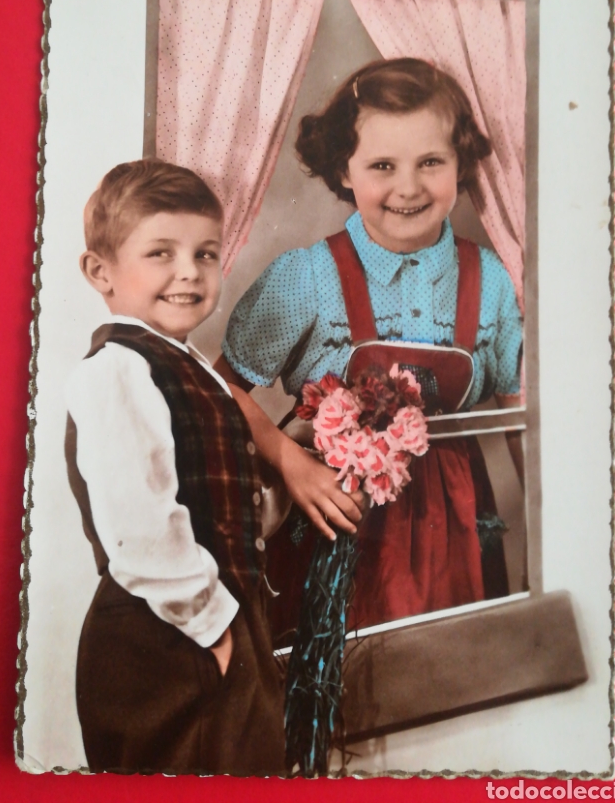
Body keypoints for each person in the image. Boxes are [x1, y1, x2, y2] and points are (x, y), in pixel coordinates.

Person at [216, 58, 524, 637]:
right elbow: (219, 386)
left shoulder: (492, 280)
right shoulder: (306, 276)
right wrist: (291, 466)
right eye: (383, 165)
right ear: (344, 169)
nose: (408, 187)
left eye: (431, 162)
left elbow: (517, 413)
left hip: (457, 527)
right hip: (336, 524)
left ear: (460, 166)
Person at [64, 159, 285, 775]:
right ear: (100, 271)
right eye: (161, 252)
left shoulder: (191, 368)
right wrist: (217, 635)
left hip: (212, 627)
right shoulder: (116, 369)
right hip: (166, 639)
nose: (189, 271)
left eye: (206, 254)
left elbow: (214, 507)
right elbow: (141, 531)